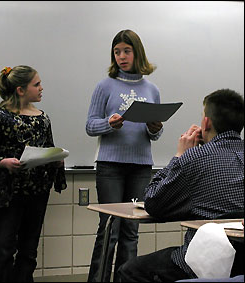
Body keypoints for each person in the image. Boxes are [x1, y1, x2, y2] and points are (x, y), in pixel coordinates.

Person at [118, 88, 244, 282]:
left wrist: (180, 157)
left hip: (204, 262)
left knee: (130, 270)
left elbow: (153, 203)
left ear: (206, 122)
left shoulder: (195, 158)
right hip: (241, 262)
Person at [86, 29, 164, 282]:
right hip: (110, 166)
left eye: (126, 51)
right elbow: (90, 125)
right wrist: (110, 124)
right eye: (117, 51)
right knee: (109, 228)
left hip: (140, 167)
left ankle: (125, 279)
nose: (121, 56)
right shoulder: (104, 85)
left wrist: (155, 128)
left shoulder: (151, 89)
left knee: (131, 230)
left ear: (137, 53)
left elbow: (154, 135)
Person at [0, 65, 67, 282]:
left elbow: (49, 149)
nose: (41, 88)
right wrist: (3, 162)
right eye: (36, 84)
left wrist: (56, 162)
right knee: (4, 247)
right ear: (21, 90)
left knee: (29, 250)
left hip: (37, 191)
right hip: (10, 192)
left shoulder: (43, 117)